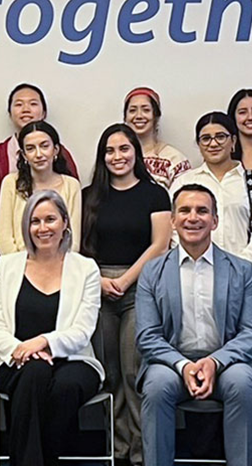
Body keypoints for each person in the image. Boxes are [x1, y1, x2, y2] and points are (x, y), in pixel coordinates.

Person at [134, 184, 252, 466]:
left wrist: (214, 363)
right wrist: (184, 365)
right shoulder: (152, 271)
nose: (192, 217)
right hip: (171, 365)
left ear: (215, 221)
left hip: (228, 364)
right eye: (184, 210)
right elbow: (147, 336)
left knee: (243, 383)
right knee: (156, 386)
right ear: (172, 220)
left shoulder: (241, 270)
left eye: (202, 211)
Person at [0, 190, 104, 466]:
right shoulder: (6, 265)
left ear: (65, 222)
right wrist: (21, 349)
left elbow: (83, 330)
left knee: (65, 386)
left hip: (73, 359)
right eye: (34, 221)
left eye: (50, 219)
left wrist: (41, 342)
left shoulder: (86, 268)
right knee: (35, 372)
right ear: (26, 227)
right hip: (13, 360)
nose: (42, 228)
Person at [80, 124, 172, 464]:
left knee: (135, 372)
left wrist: (127, 279)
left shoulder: (155, 194)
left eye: (124, 149)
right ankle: (116, 450)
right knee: (109, 372)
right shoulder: (89, 195)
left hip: (141, 289)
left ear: (136, 152)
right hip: (97, 289)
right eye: (110, 151)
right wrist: (100, 279)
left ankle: (140, 451)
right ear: (102, 157)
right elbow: (76, 246)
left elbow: (160, 244)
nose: (117, 157)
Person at [169, 113, 252, 265]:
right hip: (193, 270)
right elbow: (173, 229)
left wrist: (240, 266)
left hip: (243, 273)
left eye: (220, 137)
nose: (213, 144)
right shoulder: (184, 182)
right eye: (206, 138)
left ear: (233, 141)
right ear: (199, 144)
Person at [0, 121, 83, 254]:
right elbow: (3, 240)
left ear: (55, 150)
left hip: (61, 266)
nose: (38, 154)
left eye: (44, 146)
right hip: (17, 266)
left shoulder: (71, 185)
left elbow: (73, 241)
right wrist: (25, 267)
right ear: (24, 155)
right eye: (30, 148)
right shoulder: (10, 183)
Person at [0, 84, 80, 199]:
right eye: (19, 104)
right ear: (10, 114)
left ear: (44, 113)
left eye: (33, 104)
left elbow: (73, 198)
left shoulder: (59, 152)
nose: (26, 110)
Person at [124, 87, 190, 183]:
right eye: (132, 110)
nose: (138, 116)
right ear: (125, 117)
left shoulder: (174, 159)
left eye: (146, 110)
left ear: (156, 116)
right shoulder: (114, 157)